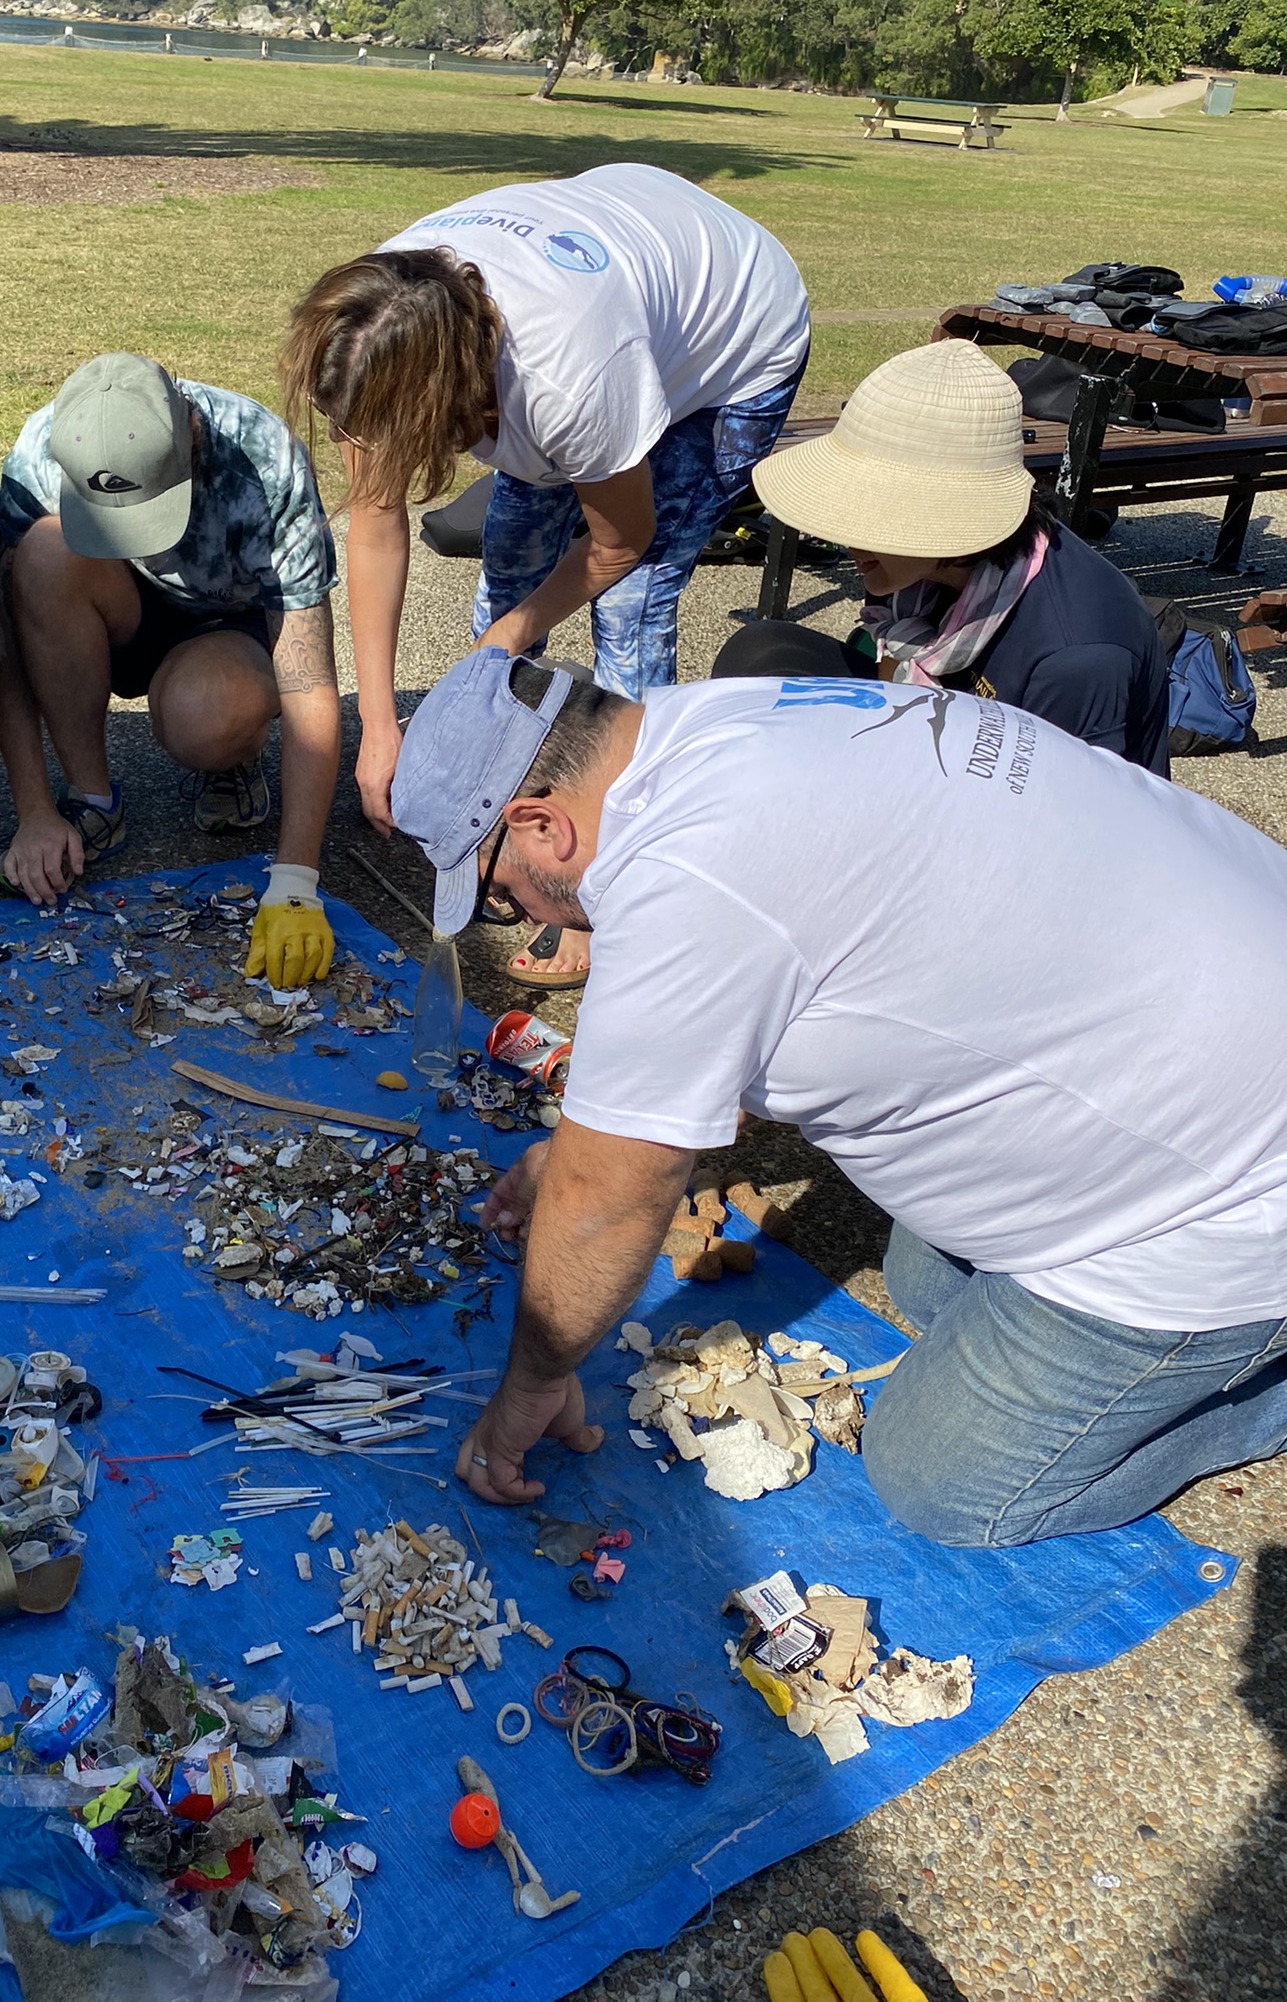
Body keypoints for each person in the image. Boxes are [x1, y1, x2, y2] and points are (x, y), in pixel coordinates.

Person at [389, 647, 1287, 1547]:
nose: (528, 919)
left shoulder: (681, 873)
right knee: (925, 1284)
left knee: (942, 1482)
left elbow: (604, 1208)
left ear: (541, 824)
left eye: (501, 896)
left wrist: (531, 1386)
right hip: (1221, 1021)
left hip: (1235, 1192)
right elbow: (752, 993)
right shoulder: (708, 722)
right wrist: (585, 1147)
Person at [282, 160, 810, 988]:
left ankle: (609, 886)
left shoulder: (572, 383)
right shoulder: (376, 331)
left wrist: (508, 636)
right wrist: (379, 726)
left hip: (733, 339)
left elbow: (619, 545)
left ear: (451, 399)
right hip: (620, 280)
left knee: (632, 609)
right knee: (514, 559)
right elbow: (376, 525)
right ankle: (509, 824)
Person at [0, 353, 342, 988]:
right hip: (118, 609)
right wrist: (33, 810)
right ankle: (91, 801)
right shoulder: (42, 452)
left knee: (201, 716)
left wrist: (295, 882)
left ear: (193, 435)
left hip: (228, 628)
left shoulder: (265, 460)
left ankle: (232, 753)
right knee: (41, 553)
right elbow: (4, 646)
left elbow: (310, 679)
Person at [717, 339, 1171, 774]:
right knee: (759, 653)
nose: (846, 539)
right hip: (947, 722)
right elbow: (890, 668)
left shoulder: (1074, 657)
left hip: (1009, 789)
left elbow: (1057, 820)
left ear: (949, 527)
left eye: (871, 518)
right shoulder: (942, 563)